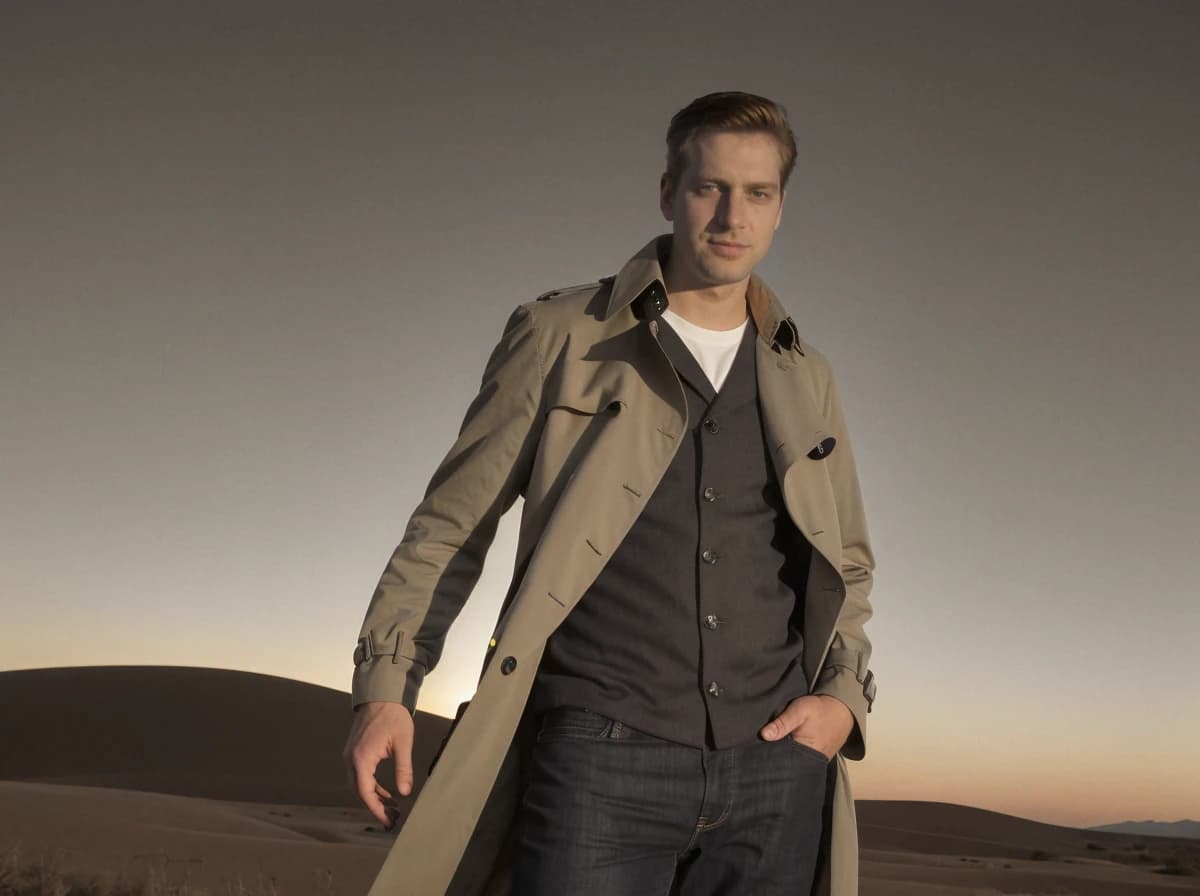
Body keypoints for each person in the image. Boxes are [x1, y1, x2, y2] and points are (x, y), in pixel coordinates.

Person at [343, 90, 877, 896]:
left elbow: (848, 563)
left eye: (757, 193)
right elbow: (451, 527)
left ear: (780, 208)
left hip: (775, 774)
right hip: (600, 760)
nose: (732, 214)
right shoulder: (562, 334)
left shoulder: (807, 374)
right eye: (709, 188)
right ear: (668, 193)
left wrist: (840, 701)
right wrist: (387, 688)